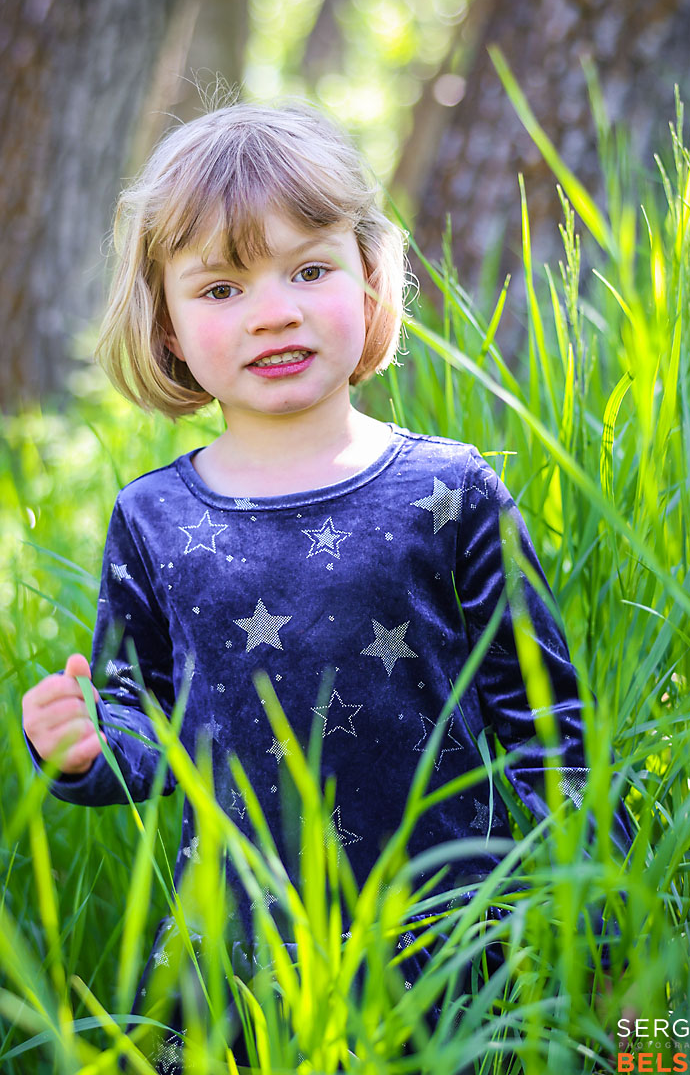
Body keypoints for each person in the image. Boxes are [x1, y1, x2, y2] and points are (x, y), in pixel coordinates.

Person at [21, 100, 613, 1070]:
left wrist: (599, 925)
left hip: (451, 950)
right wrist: (84, 747)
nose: (274, 312)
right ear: (166, 325)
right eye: (221, 287)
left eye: (309, 270)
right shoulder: (153, 518)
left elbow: (546, 725)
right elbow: (145, 721)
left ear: (371, 278)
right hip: (236, 962)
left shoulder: (451, 490)